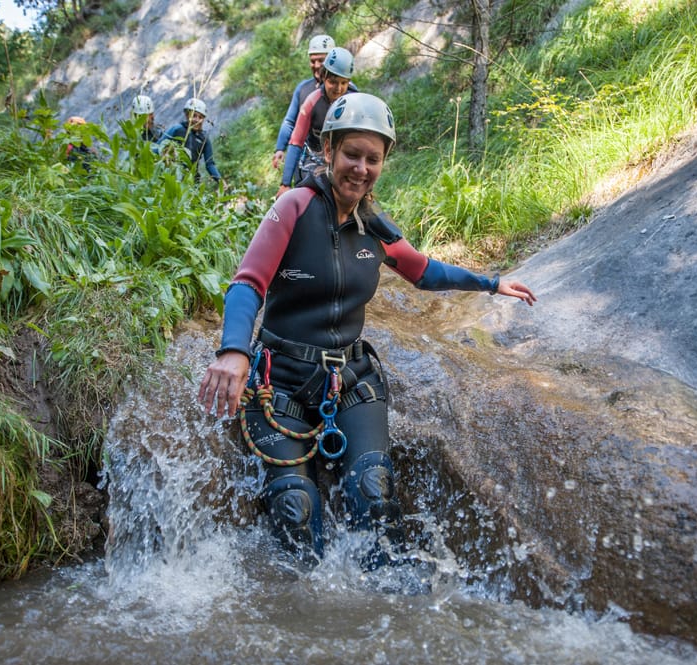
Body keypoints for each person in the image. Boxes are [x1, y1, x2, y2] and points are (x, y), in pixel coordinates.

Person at [198, 93, 537, 569]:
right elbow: (247, 284)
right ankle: (305, 618)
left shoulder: (375, 229)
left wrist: (492, 282)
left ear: (383, 163)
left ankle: (392, 607)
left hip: (351, 381)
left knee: (374, 491)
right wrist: (233, 351)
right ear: (329, 150)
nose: (360, 168)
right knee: (295, 508)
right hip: (282, 382)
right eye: (351, 155)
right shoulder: (293, 208)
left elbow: (424, 272)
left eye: (372, 159)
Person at [276, 46, 355, 199]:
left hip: (342, 158)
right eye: (333, 82)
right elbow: (296, 142)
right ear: (324, 78)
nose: (338, 89)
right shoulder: (312, 101)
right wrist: (285, 184)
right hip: (313, 159)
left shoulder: (354, 99)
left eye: (343, 83)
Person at [271, 34, 335, 179]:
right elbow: (289, 122)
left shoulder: (346, 90)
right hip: (308, 158)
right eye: (313, 61)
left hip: (338, 157)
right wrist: (280, 149)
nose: (317, 65)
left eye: (321, 60)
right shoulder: (303, 89)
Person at [161, 98, 222, 183]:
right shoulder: (177, 129)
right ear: (187, 115)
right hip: (173, 178)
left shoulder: (204, 139)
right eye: (194, 116)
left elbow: (210, 164)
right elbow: (158, 147)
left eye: (200, 117)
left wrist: (220, 180)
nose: (197, 120)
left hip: (192, 181)